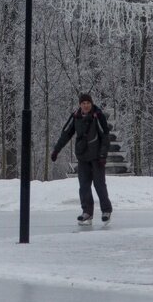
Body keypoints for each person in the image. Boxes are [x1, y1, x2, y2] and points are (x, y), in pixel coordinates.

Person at [51, 92, 113, 225]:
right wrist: (56, 150)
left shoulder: (98, 116)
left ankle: (106, 211)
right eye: (83, 103)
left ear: (91, 104)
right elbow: (66, 134)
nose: (86, 106)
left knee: (99, 185)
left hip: (97, 158)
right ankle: (87, 213)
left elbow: (105, 137)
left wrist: (103, 155)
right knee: (84, 186)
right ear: (80, 105)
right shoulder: (75, 116)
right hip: (83, 156)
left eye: (88, 103)